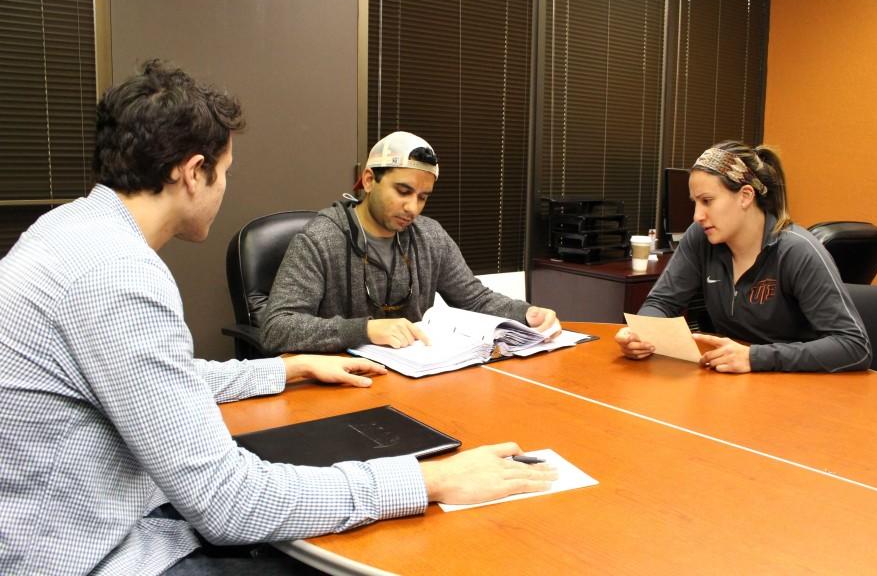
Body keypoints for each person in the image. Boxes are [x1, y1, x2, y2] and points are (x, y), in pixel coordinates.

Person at [0, 60, 556, 576]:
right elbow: (228, 503)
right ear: (194, 172)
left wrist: (284, 371)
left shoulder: (67, 231)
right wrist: (429, 479)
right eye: (225, 173)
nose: (224, 188)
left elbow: (155, 380)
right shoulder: (117, 274)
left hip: (74, 515)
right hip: (87, 551)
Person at [261, 130, 560, 353]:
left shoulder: (429, 236)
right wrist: (363, 330)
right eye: (403, 192)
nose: (412, 208)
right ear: (368, 180)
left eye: (422, 197)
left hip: (414, 374)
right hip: (345, 380)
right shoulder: (321, 239)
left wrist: (525, 312)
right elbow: (278, 328)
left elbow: (475, 298)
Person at [615, 141, 871, 373]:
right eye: (695, 202)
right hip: (734, 382)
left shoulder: (797, 251)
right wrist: (642, 336)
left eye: (707, 201)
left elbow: (854, 346)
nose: (697, 216)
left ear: (746, 196)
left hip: (796, 387)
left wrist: (755, 357)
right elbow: (662, 302)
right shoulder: (700, 237)